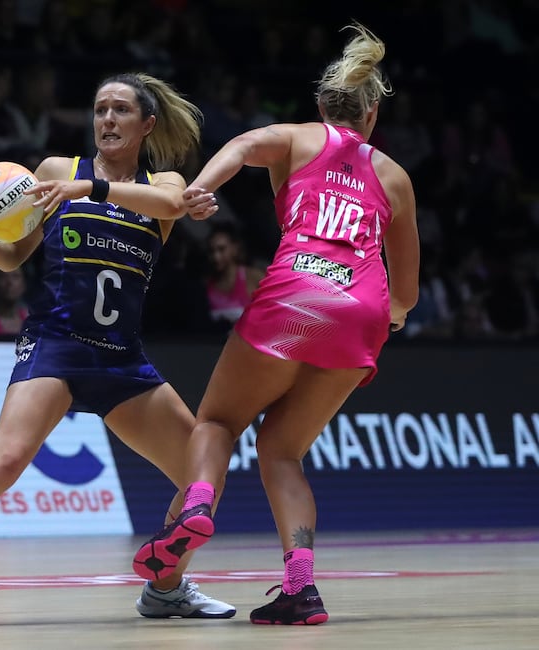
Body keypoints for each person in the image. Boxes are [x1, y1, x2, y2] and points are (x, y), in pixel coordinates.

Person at [0, 72, 236, 629]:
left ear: (146, 125)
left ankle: (166, 588)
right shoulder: (55, 173)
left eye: (121, 110)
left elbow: (170, 207)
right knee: (3, 462)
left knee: (205, 475)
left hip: (122, 358)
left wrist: (91, 191)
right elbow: (12, 258)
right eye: (100, 110)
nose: (107, 120)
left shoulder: (163, 183)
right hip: (56, 344)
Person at [133, 23, 420, 625]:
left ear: (321, 106)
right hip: (360, 313)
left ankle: (197, 508)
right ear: (371, 117)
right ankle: (300, 588)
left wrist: (202, 190)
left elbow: (238, 146)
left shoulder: (295, 137)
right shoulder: (394, 175)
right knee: (281, 451)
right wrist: (391, 315)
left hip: (296, 293)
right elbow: (408, 291)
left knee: (217, 420)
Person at [204, 221, 265, 332]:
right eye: (211, 251)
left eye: (221, 249)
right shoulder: (207, 284)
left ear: (235, 248)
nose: (216, 256)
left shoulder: (254, 277)